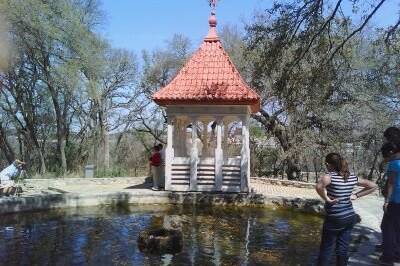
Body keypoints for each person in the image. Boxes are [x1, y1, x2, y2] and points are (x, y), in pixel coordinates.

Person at [316, 153, 377, 266]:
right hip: (349, 216)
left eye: (326, 164)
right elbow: (373, 185)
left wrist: (327, 199)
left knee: (326, 249)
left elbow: (319, 187)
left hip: (335, 218)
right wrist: (356, 195)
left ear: (328, 164)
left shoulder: (329, 176)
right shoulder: (351, 176)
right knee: (342, 249)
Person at [380, 141, 400, 265]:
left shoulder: (393, 164)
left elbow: (391, 183)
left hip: (395, 201)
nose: (386, 159)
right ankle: (398, 254)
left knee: (387, 227)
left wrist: (386, 201)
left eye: (386, 156)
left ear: (391, 152)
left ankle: (388, 257)